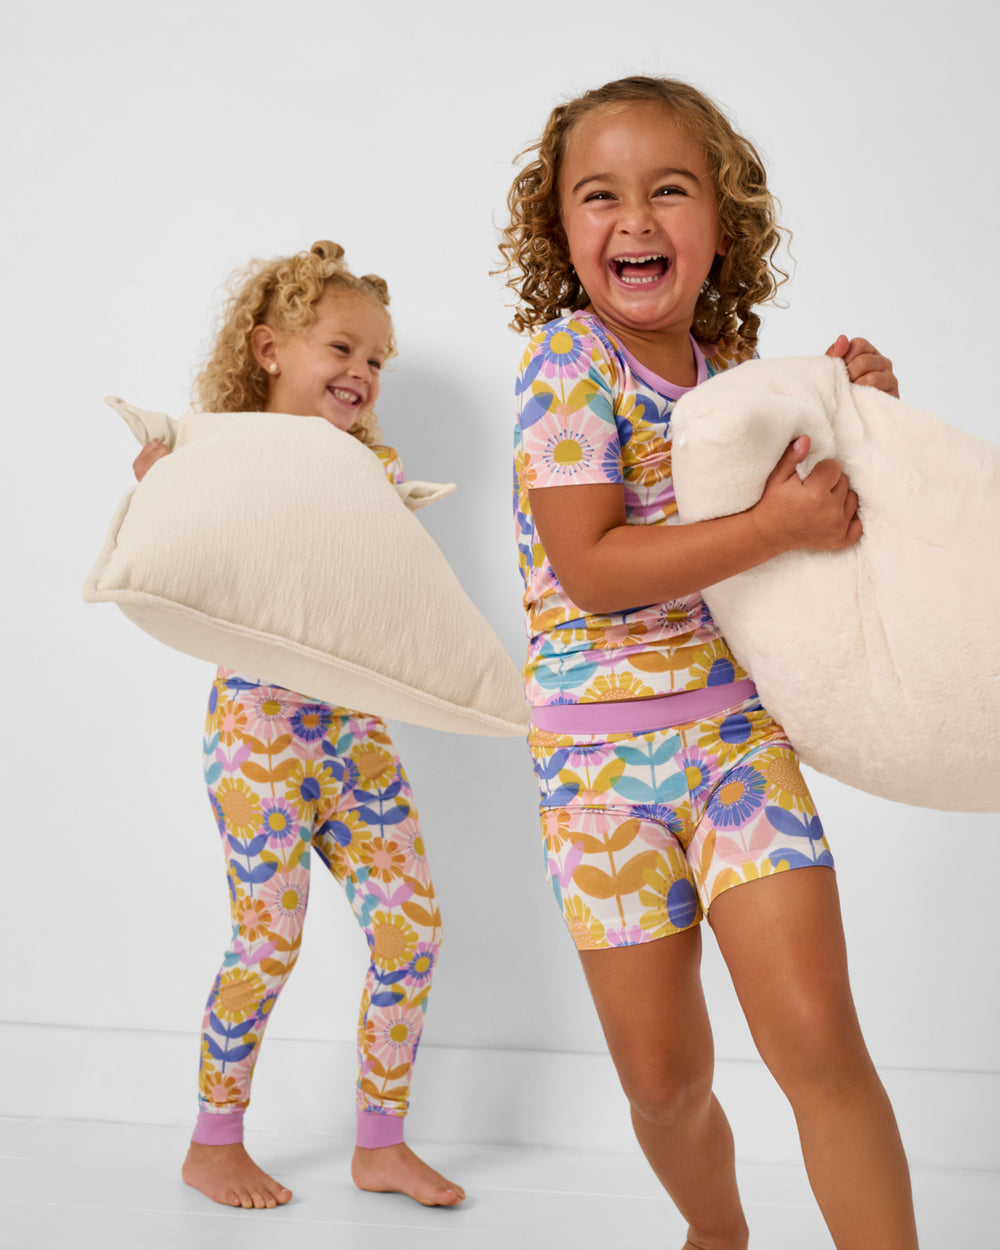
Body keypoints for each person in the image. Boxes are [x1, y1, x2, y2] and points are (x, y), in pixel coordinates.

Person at [499, 77, 917, 1250]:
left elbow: (821, 523)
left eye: (667, 190)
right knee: (663, 1079)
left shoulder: (735, 374)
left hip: (737, 743)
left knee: (819, 1043)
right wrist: (776, 522)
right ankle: (716, 1234)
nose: (634, 219)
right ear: (561, 232)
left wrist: (860, 417)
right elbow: (590, 563)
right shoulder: (565, 365)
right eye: (600, 196)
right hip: (595, 782)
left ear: (719, 223)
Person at [133, 241, 465, 1212]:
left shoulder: (377, 465)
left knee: (413, 933)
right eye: (341, 347)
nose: (361, 371)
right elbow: (180, 559)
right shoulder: (215, 446)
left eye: (376, 359)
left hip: (354, 733)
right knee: (266, 939)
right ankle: (212, 1140)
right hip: (258, 729)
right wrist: (165, 481)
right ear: (270, 346)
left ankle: (380, 1141)